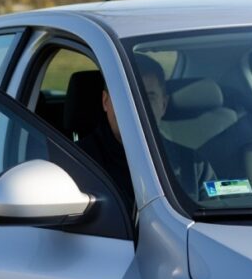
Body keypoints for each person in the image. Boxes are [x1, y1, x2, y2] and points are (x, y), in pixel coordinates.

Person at [79, 55, 214, 216]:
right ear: (105, 101)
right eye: (124, 95)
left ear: (163, 104)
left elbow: (219, 222)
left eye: (149, 97)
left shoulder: (194, 166)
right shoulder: (77, 162)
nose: (136, 107)